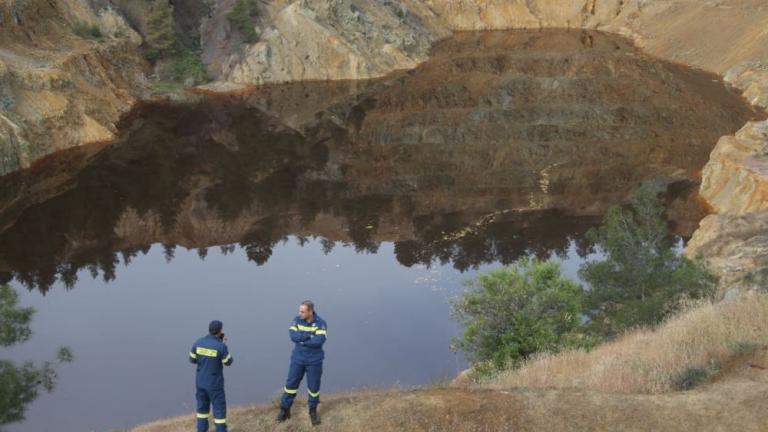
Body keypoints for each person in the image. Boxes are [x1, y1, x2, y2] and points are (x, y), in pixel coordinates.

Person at [276, 300, 328, 426]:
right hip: (298, 360)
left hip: (314, 361)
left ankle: (313, 412)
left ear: (310, 311)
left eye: (303, 311)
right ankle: (284, 410)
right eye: (299, 311)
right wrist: (309, 336)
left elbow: (318, 341)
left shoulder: (321, 323)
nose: (300, 313)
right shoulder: (297, 320)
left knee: (313, 388)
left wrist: (302, 340)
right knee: (290, 385)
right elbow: (293, 336)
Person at [189, 320, 233, 432]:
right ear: (219, 331)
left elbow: (192, 359)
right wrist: (224, 345)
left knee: (202, 411)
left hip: (200, 383)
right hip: (215, 385)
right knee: (219, 413)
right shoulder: (220, 346)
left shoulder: (198, 342)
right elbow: (228, 362)